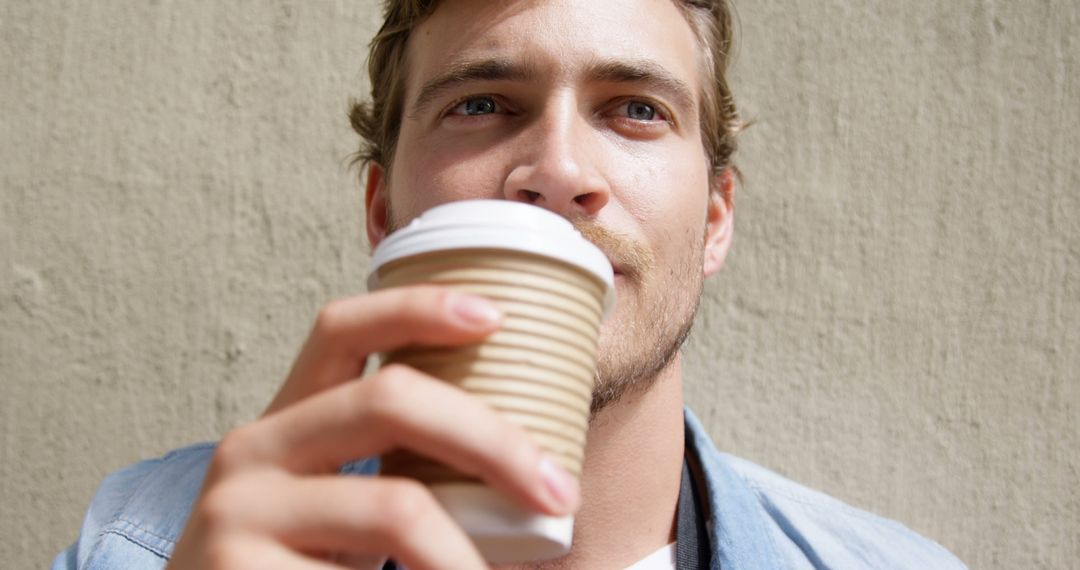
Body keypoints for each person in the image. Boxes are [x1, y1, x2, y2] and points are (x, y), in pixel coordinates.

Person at [53, 0, 968, 568]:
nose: (559, 168)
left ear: (715, 219)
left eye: (636, 110)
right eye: (482, 104)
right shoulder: (145, 544)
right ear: (383, 215)